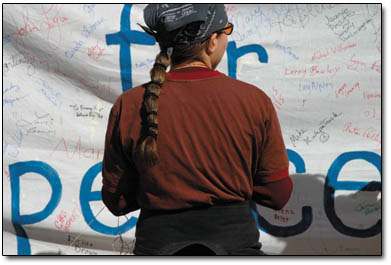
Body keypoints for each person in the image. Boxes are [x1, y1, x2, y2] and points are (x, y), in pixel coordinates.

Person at [101, 4, 293, 255]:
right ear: (211, 42)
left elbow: (117, 200)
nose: (226, 40)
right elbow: (278, 195)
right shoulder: (253, 101)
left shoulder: (130, 104)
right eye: (227, 32)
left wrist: (162, 187)